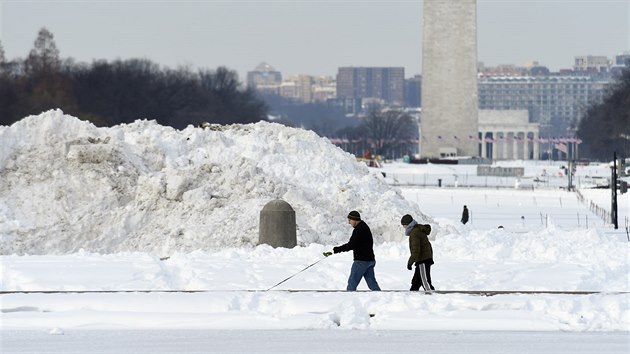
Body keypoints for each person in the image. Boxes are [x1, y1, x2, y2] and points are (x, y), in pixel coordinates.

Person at [324, 210, 381, 291]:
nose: (349, 222)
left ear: (354, 219)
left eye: (350, 220)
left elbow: (351, 245)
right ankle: (381, 297)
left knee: (352, 283)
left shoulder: (359, 229)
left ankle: (349, 299)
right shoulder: (365, 227)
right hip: (370, 260)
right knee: (372, 284)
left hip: (361, 261)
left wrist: (337, 249)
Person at [400, 214, 435, 292]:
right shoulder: (416, 230)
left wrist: (410, 262)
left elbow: (416, 250)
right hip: (423, 258)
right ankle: (412, 295)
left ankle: (432, 295)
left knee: (424, 281)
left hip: (423, 260)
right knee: (416, 281)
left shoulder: (414, 233)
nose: (403, 227)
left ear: (407, 224)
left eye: (404, 225)